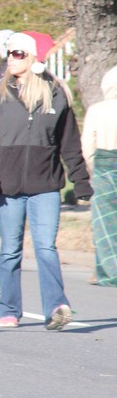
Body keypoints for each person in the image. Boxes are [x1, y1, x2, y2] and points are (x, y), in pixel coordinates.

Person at [0, 31, 92, 330]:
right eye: (9, 53)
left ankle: (56, 307)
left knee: (46, 247)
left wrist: (81, 181)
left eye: (18, 53)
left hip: (45, 185)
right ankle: (9, 308)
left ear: (34, 57)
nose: (11, 58)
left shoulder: (57, 94)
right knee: (10, 249)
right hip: (5, 185)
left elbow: (69, 143)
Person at [81, 64, 117, 287]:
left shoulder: (97, 109)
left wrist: (94, 166)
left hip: (104, 166)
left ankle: (105, 270)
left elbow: (87, 145)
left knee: (103, 222)